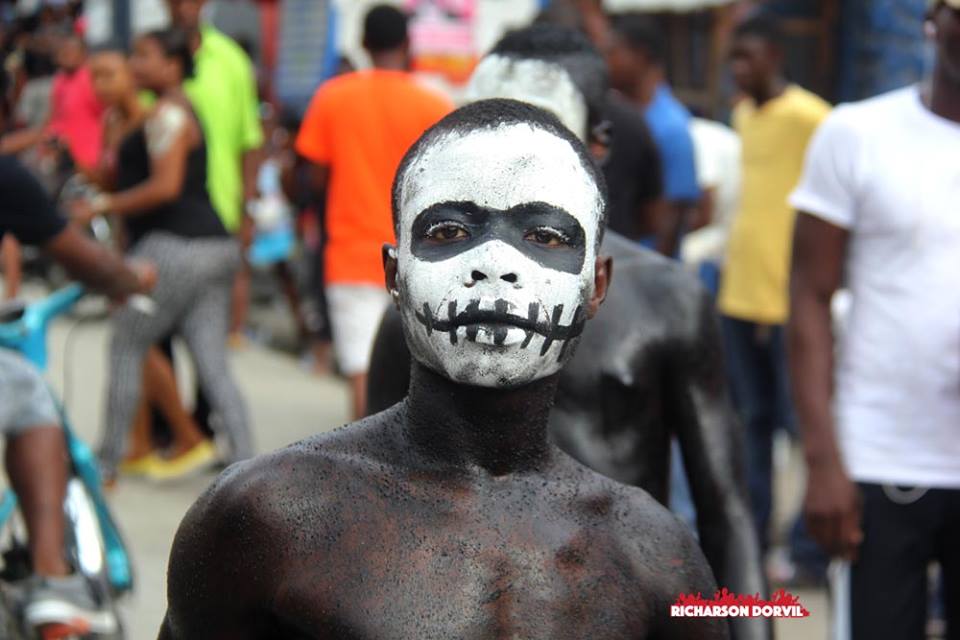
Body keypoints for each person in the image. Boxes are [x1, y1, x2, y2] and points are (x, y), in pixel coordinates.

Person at [160, 98, 726, 639]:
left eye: (545, 236)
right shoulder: (270, 517)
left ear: (595, 285)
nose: (494, 264)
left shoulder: (650, 553)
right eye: (449, 232)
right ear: (395, 274)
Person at [369, 25, 768, 640]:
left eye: (538, 127)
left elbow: (726, 512)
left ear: (596, 145)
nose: (504, 149)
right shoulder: (429, 309)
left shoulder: (665, 300)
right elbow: (374, 483)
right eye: (482, 123)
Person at [789, 1, 960, 636]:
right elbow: (808, 295)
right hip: (881, 462)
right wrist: (822, 461)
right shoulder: (858, 133)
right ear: (933, 20)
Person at [70, 28, 251, 482]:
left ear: (173, 66)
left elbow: (166, 187)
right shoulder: (169, 111)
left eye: (144, 56)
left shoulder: (169, 113)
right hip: (214, 244)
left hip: (175, 245)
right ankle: (247, 466)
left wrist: (103, 205)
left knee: (126, 343)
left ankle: (107, 462)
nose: (136, 64)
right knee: (211, 363)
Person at [0, 153, 152, 635]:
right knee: (29, 398)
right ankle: (54, 578)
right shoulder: (8, 177)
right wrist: (133, 278)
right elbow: (88, 261)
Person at [716, 15, 831, 583]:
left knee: (802, 424)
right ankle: (756, 541)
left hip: (792, 302)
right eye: (734, 58)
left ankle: (810, 549)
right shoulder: (744, 115)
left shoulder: (813, 118)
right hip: (740, 297)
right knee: (750, 424)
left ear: (776, 58)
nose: (739, 69)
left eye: (749, 58)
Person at [295, 4, 451, 419]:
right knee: (419, 372)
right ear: (407, 43)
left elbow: (314, 178)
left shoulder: (333, 97)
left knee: (362, 370)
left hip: (352, 254)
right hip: (422, 257)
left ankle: (364, 454)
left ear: (363, 42)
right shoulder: (434, 104)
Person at [86, 42, 213, 480]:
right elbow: (113, 178)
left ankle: (182, 436)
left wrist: (102, 204)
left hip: (158, 246)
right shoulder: (115, 121)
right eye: (95, 76)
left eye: (110, 73)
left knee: (135, 341)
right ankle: (139, 443)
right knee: (141, 344)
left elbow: (162, 186)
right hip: (130, 241)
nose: (100, 84)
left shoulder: (155, 117)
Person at [603, 13, 700, 256]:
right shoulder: (618, 115)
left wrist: (652, 274)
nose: (606, 62)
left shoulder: (671, 127)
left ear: (640, 56)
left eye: (613, 52)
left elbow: (672, 216)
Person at [0, 32, 104, 171]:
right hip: (60, 155)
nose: (65, 54)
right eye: (63, 50)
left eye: (71, 50)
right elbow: (52, 117)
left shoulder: (92, 79)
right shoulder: (60, 79)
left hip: (89, 160)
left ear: (84, 54)